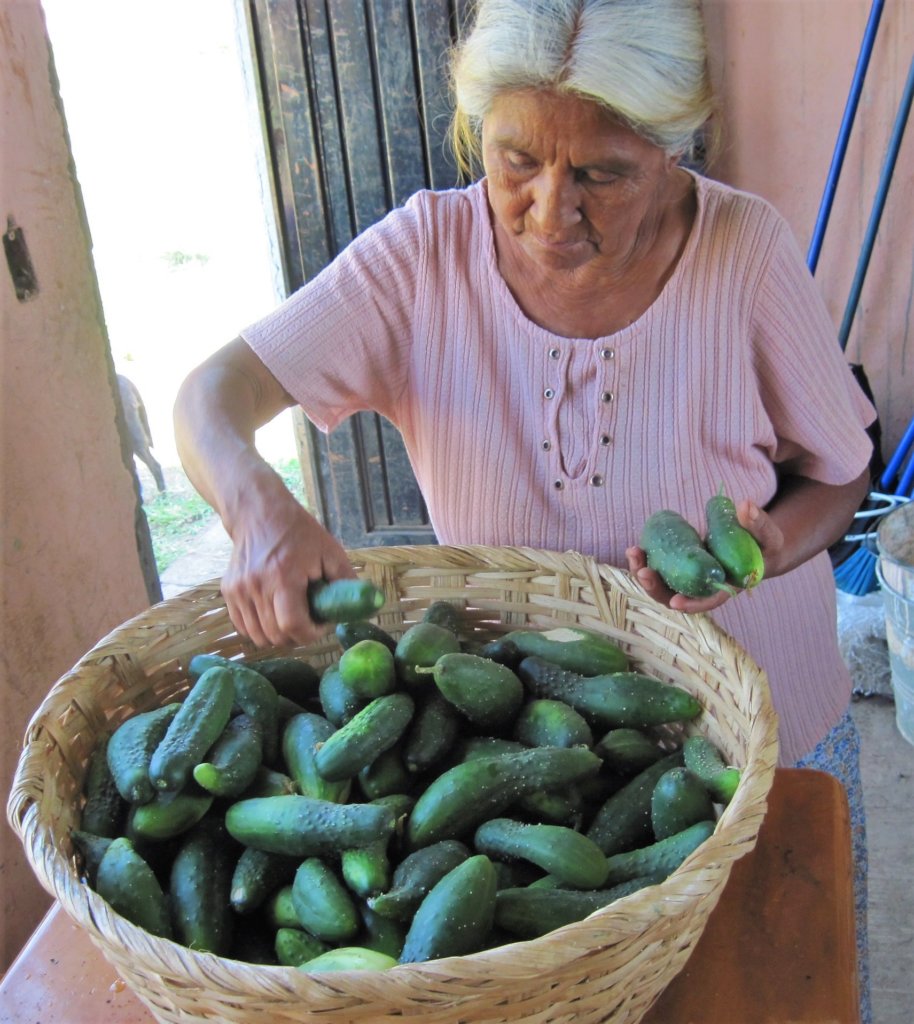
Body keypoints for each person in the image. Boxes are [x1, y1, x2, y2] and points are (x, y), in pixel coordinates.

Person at [174, 1, 874, 1015]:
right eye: (515, 161)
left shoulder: (743, 250)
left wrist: (773, 543)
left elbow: (841, 469)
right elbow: (211, 396)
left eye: (601, 173)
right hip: (516, 753)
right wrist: (256, 502)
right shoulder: (421, 256)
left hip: (761, 736)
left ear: (673, 150)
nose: (551, 210)